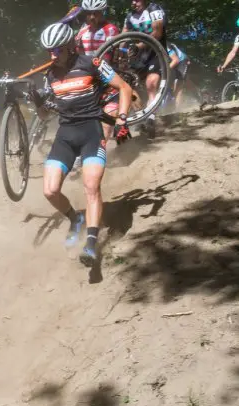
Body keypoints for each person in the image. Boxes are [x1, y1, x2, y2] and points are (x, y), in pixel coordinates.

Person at [33, 23, 133, 266]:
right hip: (65, 135)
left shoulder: (91, 63)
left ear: (70, 46)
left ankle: (91, 243)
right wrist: (38, 103)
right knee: (50, 190)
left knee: (91, 187)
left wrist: (121, 119)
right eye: (49, 51)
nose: (52, 55)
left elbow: (124, 87)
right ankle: (74, 219)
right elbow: (46, 116)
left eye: (57, 50)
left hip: (91, 131)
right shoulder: (50, 75)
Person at [76, 0, 121, 146]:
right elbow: (78, 55)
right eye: (88, 14)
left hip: (107, 80)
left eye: (95, 13)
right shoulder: (82, 31)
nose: (91, 17)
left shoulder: (111, 29)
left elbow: (111, 56)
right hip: (88, 82)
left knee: (107, 123)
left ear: (102, 12)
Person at [122, 0, 167, 135]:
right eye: (131, 0)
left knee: (151, 84)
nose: (133, 3)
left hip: (156, 52)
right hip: (139, 56)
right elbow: (123, 36)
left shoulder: (154, 9)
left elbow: (157, 33)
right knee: (128, 87)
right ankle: (141, 115)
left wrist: (138, 46)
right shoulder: (130, 15)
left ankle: (151, 118)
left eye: (137, 0)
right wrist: (119, 51)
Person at [166, 43, 189, 109]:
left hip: (182, 60)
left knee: (178, 85)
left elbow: (176, 60)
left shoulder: (165, 45)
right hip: (173, 61)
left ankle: (176, 109)